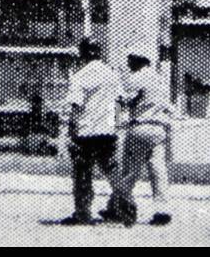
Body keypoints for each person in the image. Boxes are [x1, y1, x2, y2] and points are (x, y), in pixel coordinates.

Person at [110, 45, 174, 227]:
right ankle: (162, 210)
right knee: (158, 170)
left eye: (131, 59)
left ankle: (120, 206)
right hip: (159, 128)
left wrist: (115, 120)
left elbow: (123, 101)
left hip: (140, 126)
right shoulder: (160, 79)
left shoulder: (135, 78)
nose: (128, 62)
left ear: (139, 60)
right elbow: (167, 106)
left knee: (130, 171)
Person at [60, 38, 121, 225]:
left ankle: (82, 213)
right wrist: (114, 126)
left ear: (83, 53)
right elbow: (118, 103)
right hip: (107, 131)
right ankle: (121, 208)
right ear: (99, 52)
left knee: (82, 174)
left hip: (86, 133)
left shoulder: (80, 75)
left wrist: (70, 130)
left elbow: (75, 105)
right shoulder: (112, 74)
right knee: (113, 172)